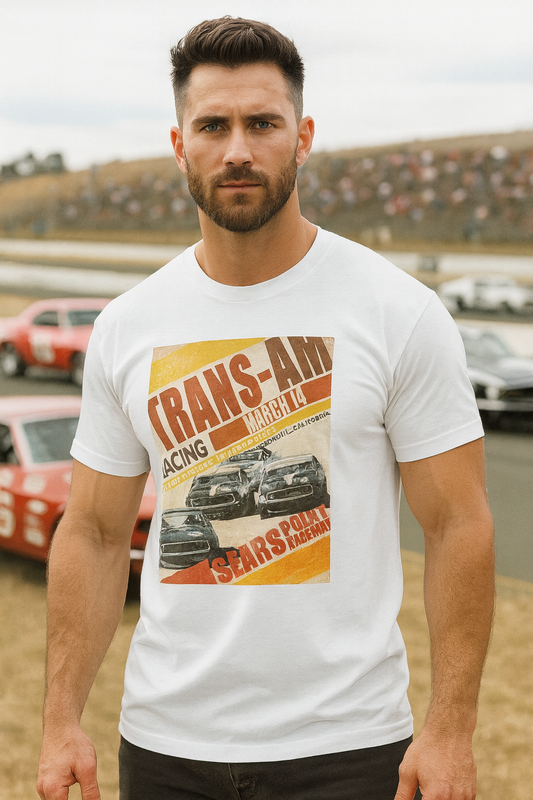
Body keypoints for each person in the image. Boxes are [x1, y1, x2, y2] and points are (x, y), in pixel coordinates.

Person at [37, 16, 494, 800]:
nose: (237, 150)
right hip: (164, 744)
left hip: (346, 746)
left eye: (262, 123)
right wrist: (59, 721)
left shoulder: (397, 311)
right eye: (212, 126)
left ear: (302, 137)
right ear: (180, 145)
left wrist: (450, 727)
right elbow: (95, 532)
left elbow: (458, 525)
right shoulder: (128, 326)